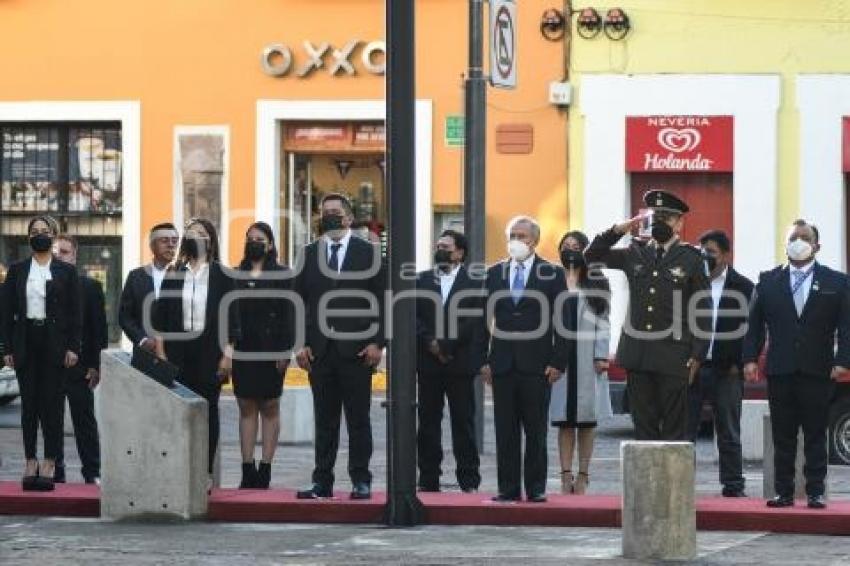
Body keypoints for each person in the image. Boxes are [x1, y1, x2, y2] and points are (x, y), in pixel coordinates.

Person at [585, 190, 709, 441]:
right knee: (643, 427)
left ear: (680, 223)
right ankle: (647, 482)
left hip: (674, 354)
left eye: (668, 217)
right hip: (638, 353)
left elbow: (702, 308)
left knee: (675, 429)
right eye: (657, 216)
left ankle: (671, 481)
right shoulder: (635, 252)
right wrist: (617, 230)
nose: (662, 222)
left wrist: (698, 354)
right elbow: (591, 255)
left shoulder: (692, 258)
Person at [742, 219, 850, 509]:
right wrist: (750, 359)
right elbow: (753, 325)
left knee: (816, 433)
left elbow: (846, 325)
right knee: (783, 434)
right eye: (793, 237)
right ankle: (784, 491)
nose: (798, 242)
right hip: (781, 369)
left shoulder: (836, 282)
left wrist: (843, 361)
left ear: (817, 245)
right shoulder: (768, 281)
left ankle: (815, 491)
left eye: (804, 237)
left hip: (818, 369)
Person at [294, 193, 385, 500]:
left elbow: (385, 302)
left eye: (335, 212)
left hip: (357, 351)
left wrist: (378, 343)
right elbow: (298, 302)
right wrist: (299, 344)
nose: (329, 217)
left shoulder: (368, 253)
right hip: (320, 352)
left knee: (359, 420)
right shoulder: (308, 253)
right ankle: (322, 481)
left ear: (348, 218)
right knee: (325, 421)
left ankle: (361, 479)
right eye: (324, 213)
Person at [480, 216, 568, 503]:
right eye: (512, 236)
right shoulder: (493, 274)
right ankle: (508, 488)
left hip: (537, 366)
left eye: (522, 236)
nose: (516, 241)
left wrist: (558, 362)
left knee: (535, 430)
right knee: (505, 431)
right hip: (502, 364)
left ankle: (536, 487)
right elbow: (481, 320)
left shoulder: (552, 274)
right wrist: (483, 360)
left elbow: (563, 321)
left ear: (535, 240)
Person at [2, 215, 81, 491]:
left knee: (53, 406)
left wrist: (73, 347)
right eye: (34, 231)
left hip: (55, 343)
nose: (39, 235)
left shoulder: (66, 272)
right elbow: (6, 312)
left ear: (54, 235)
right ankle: (30, 460)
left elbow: (75, 314)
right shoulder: (17, 270)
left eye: (44, 231)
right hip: (26, 340)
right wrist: (7, 348)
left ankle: (50, 461)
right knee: (29, 406)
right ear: (28, 238)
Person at [160, 218, 240, 475]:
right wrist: (161, 354)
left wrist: (227, 356)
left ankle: (203, 471)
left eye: (202, 233)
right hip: (177, 353)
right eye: (192, 232)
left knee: (208, 411)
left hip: (210, 352)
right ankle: (180, 468)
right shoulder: (174, 273)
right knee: (178, 413)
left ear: (211, 239)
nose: (197, 237)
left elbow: (233, 319)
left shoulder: (223, 275)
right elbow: (160, 318)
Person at [687, 230, 754, 497]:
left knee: (728, 430)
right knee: (685, 431)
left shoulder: (744, 287)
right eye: (702, 252)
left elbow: (752, 330)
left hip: (727, 369)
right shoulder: (690, 283)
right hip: (692, 367)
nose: (706, 257)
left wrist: (742, 362)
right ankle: (681, 484)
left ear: (726, 255)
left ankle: (733, 485)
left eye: (711, 252)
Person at [415, 229, 482, 493]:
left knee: (463, 423)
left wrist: (446, 345)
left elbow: (473, 319)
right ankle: (428, 477)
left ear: (460, 252)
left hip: (460, 362)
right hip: (428, 363)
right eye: (438, 245)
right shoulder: (420, 280)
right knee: (428, 423)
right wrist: (431, 343)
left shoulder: (475, 281)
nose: (440, 249)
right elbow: (413, 316)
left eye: (446, 246)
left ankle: (469, 480)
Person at [232, 221, 294, 489]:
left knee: (270, 407)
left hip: (273, 349)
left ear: (270, 244)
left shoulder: (284, 275)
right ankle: (247, 468)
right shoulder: (234, 275)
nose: (254, 242)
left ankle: (266, 467)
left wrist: (286, 349)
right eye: (250, 238)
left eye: (260, 238)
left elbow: (291, 315)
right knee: (246, 407)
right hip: (243, 348)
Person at [549, 230, 612, 495]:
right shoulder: (552, 279)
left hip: (588, 358)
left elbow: (605, 320)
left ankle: (584, 475)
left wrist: (601, 354)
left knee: (587, 420)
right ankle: (565, 475)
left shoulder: (597, 281)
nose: (571, 250)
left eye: (576, 246)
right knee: (564, 420)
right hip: (559, 359)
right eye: (566, 246)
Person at [53, 235, 107, 484]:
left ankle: (93, 472)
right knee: (50, 423)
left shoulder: (91, 287)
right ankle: (56, 471)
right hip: (49, 368)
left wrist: (97, 366)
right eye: (55, 252)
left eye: (64, 252)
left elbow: (99, 330)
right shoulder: (39, 287)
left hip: (81, 367)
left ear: (74, 255)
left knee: (84, 423)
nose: (58, 256)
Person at [118, 223, 179, 369]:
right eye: (164, 241)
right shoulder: (136, 276)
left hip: (179, 355)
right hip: (145, 354)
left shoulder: (186, 277)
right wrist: (142, 340)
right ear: (152, 246)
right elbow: (125, 316)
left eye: (174, 241)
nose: (171, 245)